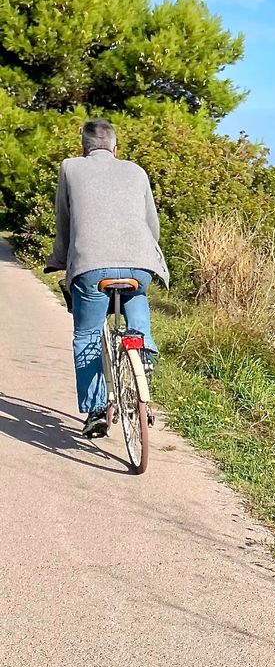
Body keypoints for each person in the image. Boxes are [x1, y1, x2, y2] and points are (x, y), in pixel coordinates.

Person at [45, 118, 169, 438]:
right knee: (137, 294)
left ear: (83, 148)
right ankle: (142, 348)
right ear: (116, 148)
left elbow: (64, 222)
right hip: (139, 266)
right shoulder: (137, 171)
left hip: (91, 268)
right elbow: (152, 227)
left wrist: (58, 260)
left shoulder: (70, 168)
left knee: (86, 336)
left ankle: (97, 410)